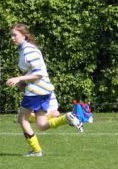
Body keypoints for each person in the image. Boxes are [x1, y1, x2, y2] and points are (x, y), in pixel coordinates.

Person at [5, 23, 83, 157]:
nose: (12, 38)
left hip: (36, 91)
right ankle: (66, 118)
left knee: (22, 120)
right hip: (42, 91)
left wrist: (19, 78)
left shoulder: (29, 50)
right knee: (41, 124)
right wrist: (22, 82)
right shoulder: (24, 49)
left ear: (24, 35)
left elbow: (39, 73)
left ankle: (36, 151)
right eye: (11, 35)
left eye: (15, 35)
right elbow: (32, 72)